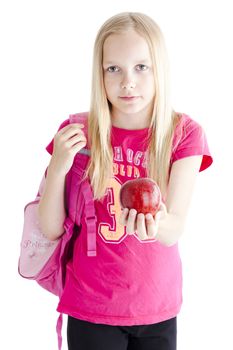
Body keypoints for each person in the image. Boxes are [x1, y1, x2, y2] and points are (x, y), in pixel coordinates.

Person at [38, 11, 213, 350]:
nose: (127, 81)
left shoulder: (183, 134)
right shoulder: (77, 133)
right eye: (113, 68)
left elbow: (174, 228)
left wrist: (155, 222)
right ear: (99, 74)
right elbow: (50, 228)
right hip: (91, 305)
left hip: (157, 306)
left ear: (159, 68)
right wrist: (59, 165)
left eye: (141, 67)